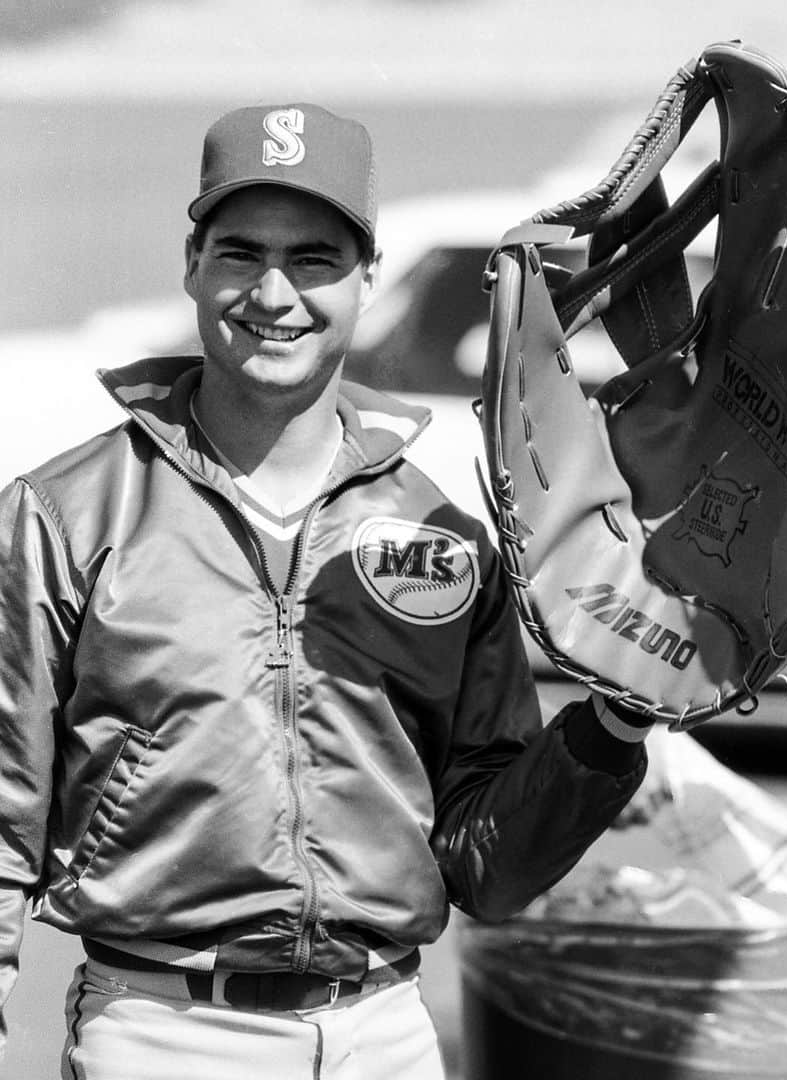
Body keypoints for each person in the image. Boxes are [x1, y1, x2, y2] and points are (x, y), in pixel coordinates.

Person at [0, 103, 651, 1080]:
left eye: (313, 259)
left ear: (367, 280)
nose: (274, 293)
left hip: (382, 1036)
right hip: (163, 1032)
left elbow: (489, 864)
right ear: (192, 264)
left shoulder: (445, 535)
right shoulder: (65, 517)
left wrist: (614, 727)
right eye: (240, 253)